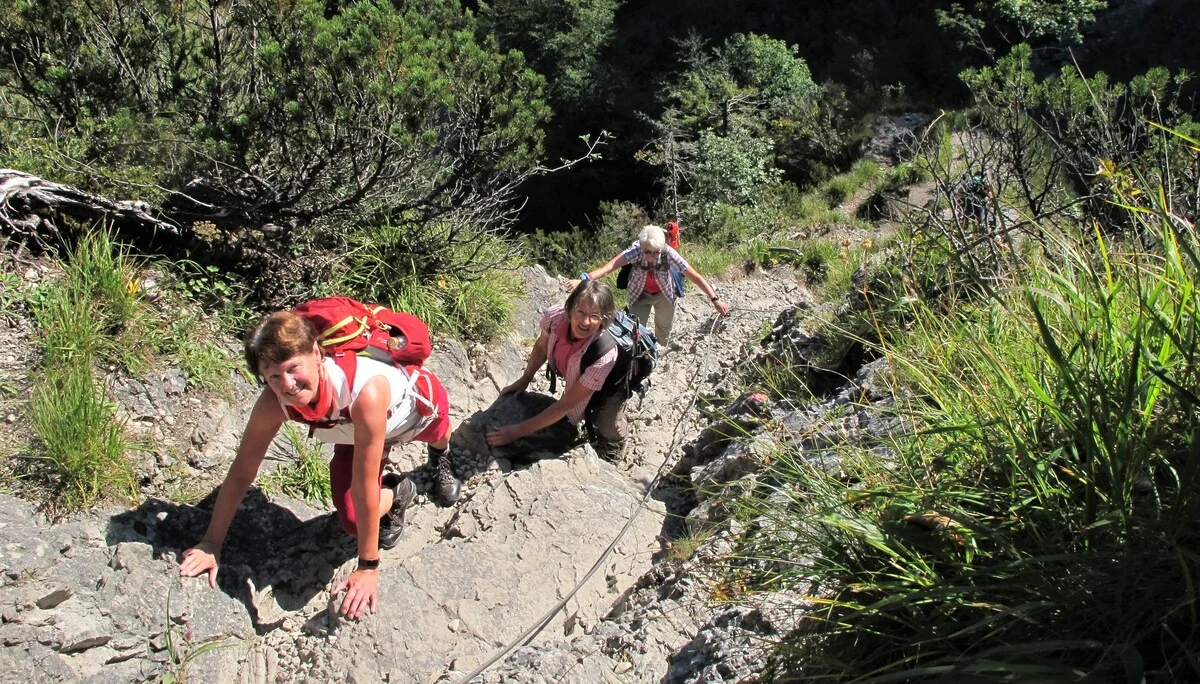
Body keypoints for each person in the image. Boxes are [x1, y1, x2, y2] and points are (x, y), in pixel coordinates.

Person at [179, 310, 456, 620]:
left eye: (293, 368)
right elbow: (243, 470)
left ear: (316, 354)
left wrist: (368, 568)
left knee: (440, 434)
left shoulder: (365, 389)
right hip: (354, 428)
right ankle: (399, 490)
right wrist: (211, 543)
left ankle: (439, 458)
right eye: (273, 376)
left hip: (414, 410)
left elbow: (364, 484)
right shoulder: (274, 401)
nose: (288, 385)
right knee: (353, 520)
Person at [486, 279, 628, 460]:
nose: (585, 321)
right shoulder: (554, 318)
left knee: (607, 422)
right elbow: (541, 348)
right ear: (569, 308)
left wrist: (517, 431)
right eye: (580, 311)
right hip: (581, 371)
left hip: (612, 384)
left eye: (594, 315)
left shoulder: (604, 354)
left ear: (603, 319)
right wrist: (525, 378)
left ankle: (618, 442)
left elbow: (568, 404)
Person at [566, 225, 729, 347]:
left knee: (664, 332)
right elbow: (610, 267)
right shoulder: (636, 250)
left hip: (665, 295)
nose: (651, 256)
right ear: (642, 247)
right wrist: (585, 279)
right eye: (647, 252)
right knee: (634, 332)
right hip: (640, 295)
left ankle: (661, 353)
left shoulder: (668, 253)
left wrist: (715, 299)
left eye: (655, 252)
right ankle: (638, 359)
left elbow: (695, 276)